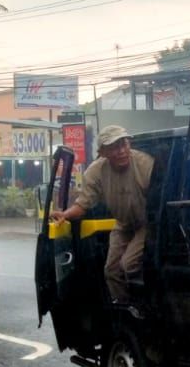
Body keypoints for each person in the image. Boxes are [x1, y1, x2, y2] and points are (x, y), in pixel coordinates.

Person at [53, 125, 155, 304]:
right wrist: (65, 215)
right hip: (123, 224)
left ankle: (147, 305)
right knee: (111, 270)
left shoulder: (144, 163)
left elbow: (158, 199)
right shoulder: (96, 171)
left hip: (146, 223)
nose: (122, 151)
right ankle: (125, 308)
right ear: (103, 152)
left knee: (128, 264)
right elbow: (83, 204)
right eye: (115, 147)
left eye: (124, 144)